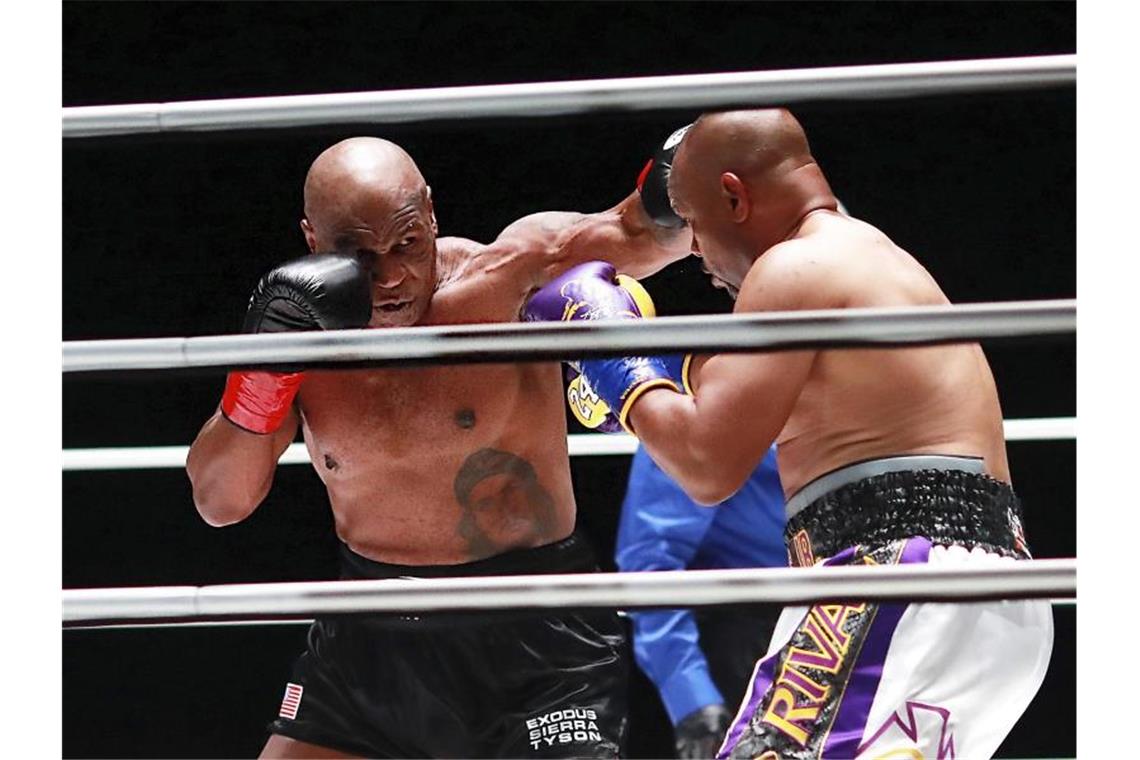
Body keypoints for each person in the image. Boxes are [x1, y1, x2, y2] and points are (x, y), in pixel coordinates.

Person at [523, 109, 1053, 759]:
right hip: (988, 593)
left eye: (691, 222)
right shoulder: (869, 260)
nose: (694, 251)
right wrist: (646, 374)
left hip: (891, 576)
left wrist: (611, 354)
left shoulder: (793, 268)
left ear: (733, 195)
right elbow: (736, 390)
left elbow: (706, 465)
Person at [185, 131, 694, 758]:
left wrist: (688, 167)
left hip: (536, 637)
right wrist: (264, 368)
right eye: (361, 256)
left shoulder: (510, 272)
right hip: (369, 639)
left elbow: (655, 233)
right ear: (313, 241)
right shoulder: (299, 337)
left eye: (407, 243)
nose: (392, 276)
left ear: (430, 212)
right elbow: (219, 501)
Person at [615, 445, 785, 759]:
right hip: (743, 642)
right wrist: (691, 696)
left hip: (844, 626)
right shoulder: (700, 402)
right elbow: (651, 562)